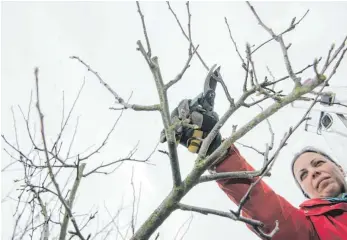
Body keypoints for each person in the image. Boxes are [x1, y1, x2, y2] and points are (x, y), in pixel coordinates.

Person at [168, 99, 347, 240]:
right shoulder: (313, 229)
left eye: (318, 163)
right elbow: (268, 210)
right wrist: (218, 153)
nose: (313, 172)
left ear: (340, 168)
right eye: (304, 175)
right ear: (306, 194)